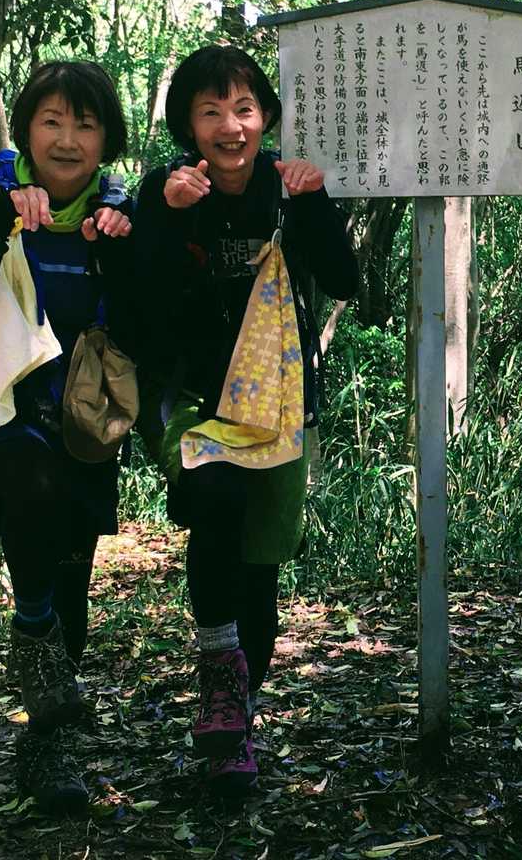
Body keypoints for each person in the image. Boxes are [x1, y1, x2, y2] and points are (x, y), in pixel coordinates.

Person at [133, 44, 358, 793]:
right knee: (216, 497)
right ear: (188, 126)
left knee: (259, 571)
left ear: (265, 117)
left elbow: (346, 280)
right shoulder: (165, 190)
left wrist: (316, 203)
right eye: (211, 112)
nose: (230, 127)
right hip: (195, 399)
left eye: (244, 109)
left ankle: (236, 724)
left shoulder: (286, 188)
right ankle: (220, 686)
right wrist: (169, 219)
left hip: (281, 404)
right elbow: (140, 303)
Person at [0, 61, 135, 813]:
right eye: (52, 121)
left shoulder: (114, 206)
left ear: (106, 138)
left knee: (71, 570)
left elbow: (141, 317)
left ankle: (49, 746)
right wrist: (2, 224)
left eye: (85, 124)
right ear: (27, 128)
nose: (67, 139)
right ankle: (33, 633)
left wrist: (124, 244)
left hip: (80, 417)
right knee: (33, 493)